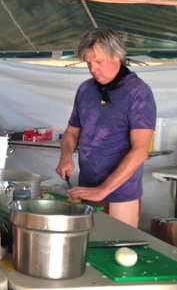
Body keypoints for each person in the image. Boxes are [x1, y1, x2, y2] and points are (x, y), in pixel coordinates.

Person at [56, 28, 156, 228]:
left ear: (117, 57)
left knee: (118, 247)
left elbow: (140, 151)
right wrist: (66, 156)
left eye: (99, 62)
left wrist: (103, 190)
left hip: (121, 192)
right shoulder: (86, 89)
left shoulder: (138, 93)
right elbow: (72, 132)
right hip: (87, 185)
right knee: (87, 247)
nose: (93, 69)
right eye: (88, 63)